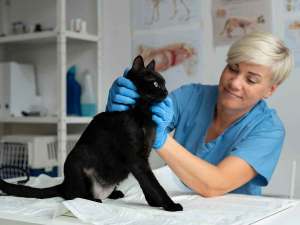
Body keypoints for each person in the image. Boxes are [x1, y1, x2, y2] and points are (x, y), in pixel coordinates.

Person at [106, 32, 294, 197]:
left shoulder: (269, 129)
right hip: (183, 208)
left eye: (251, 80)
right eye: (233, 69)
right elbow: (126, 139)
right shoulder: (190, 96)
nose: (235, 83)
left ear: (270, 90)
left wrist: (159, 137)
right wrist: (119, 113)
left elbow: (215, 185)